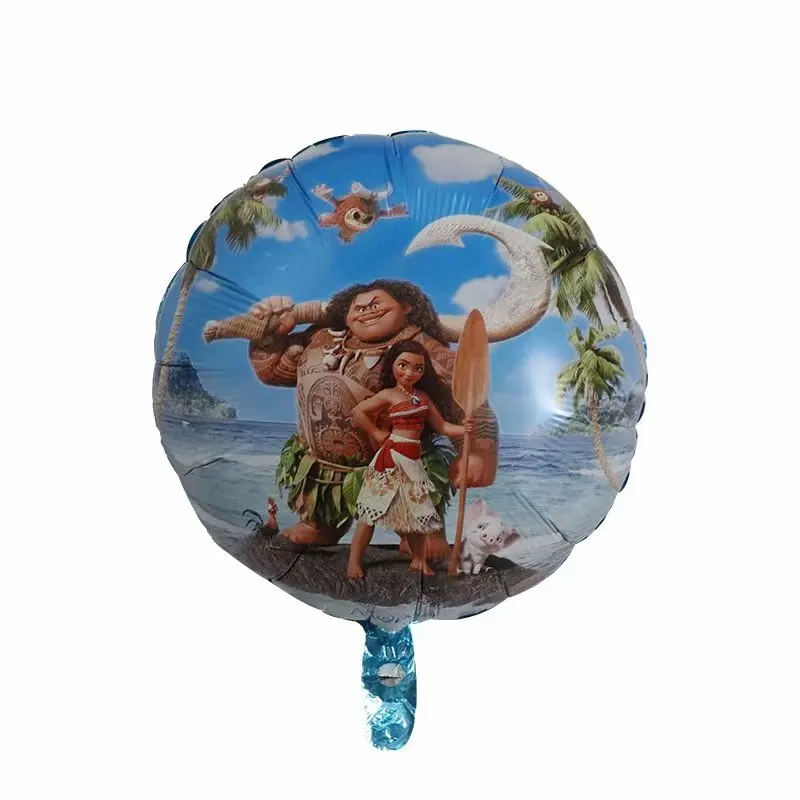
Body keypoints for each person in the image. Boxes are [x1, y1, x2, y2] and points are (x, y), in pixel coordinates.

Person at [347, 340, 473, 578]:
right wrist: (376, 433)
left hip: (413, 461)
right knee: (369, 514)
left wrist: (464, 429)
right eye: (403, 365)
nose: (409, 373)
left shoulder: (422, 397)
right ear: (392, 365)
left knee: (417, 514)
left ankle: (418, 559)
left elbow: (442, 426)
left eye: (418, 368)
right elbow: (358, 411)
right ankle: (354, 562)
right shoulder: (388, 395)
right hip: (390, 459)